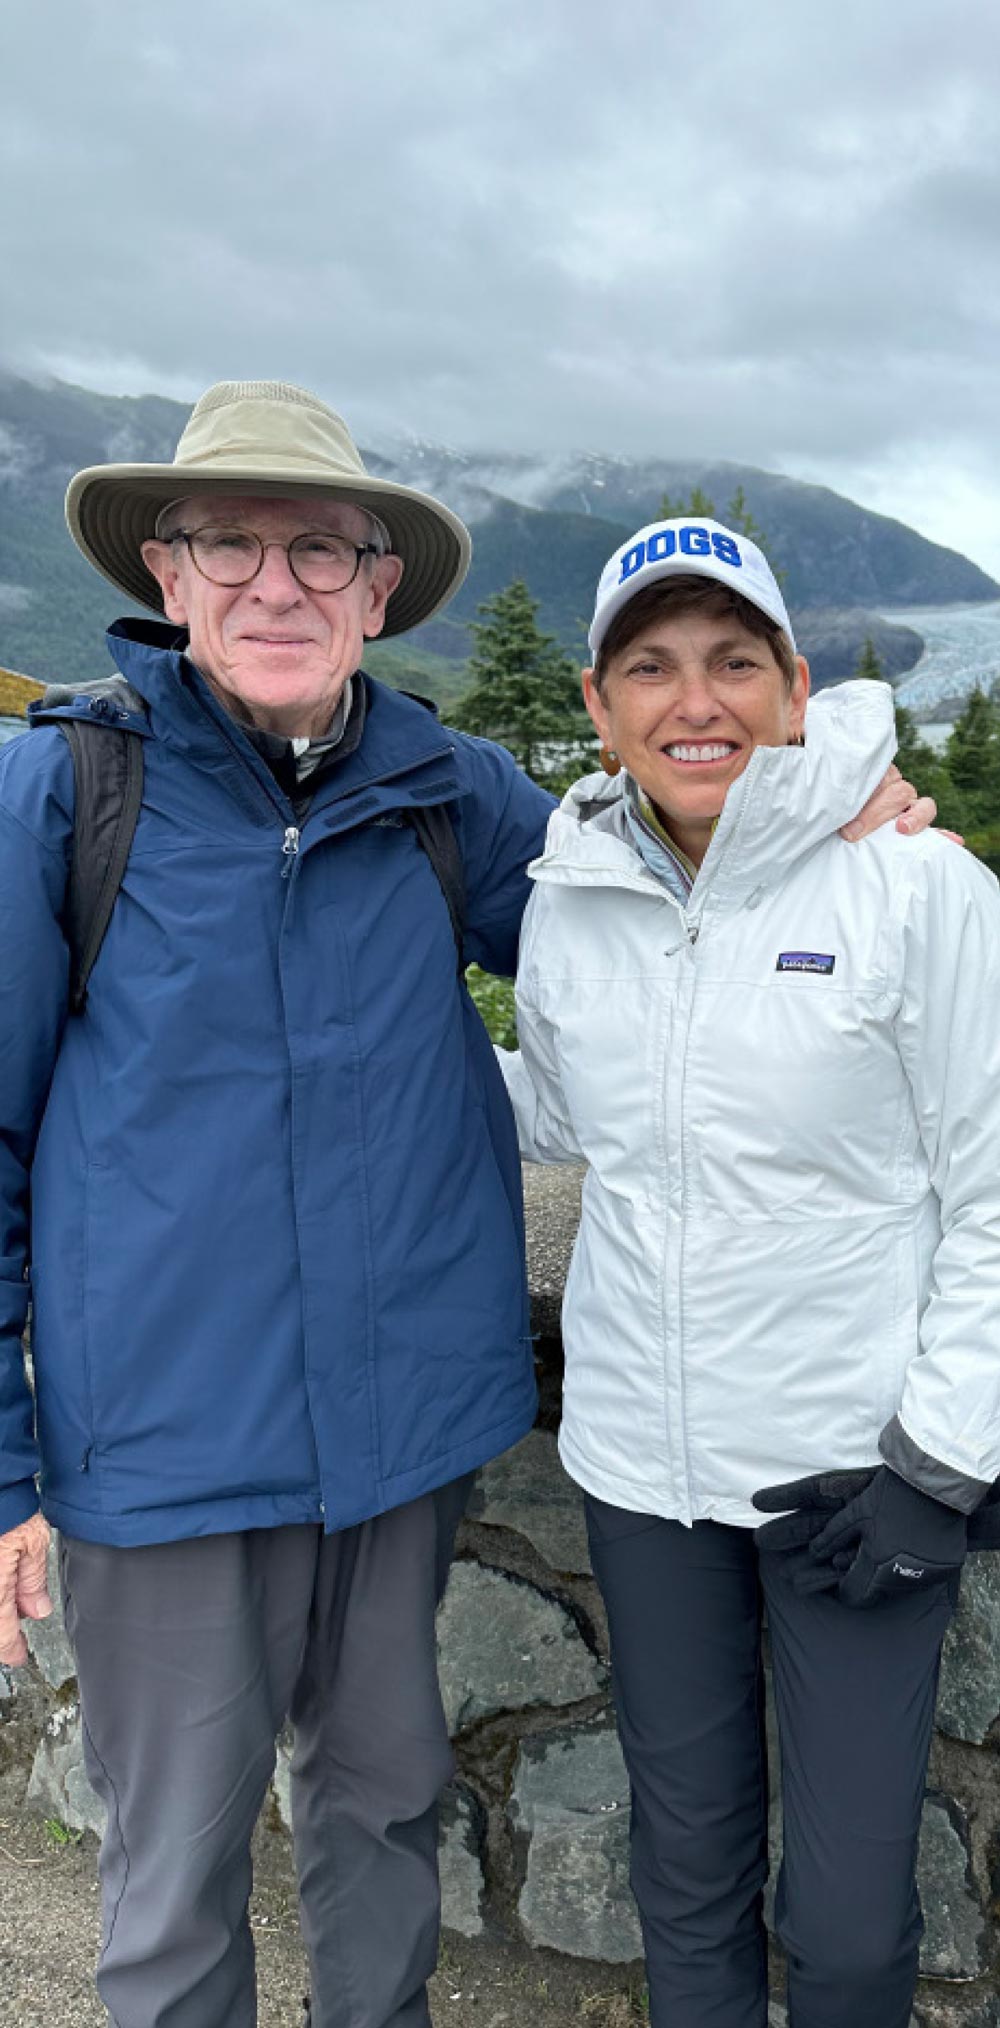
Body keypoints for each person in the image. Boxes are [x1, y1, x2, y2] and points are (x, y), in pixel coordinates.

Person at [0, 388, 931, 2028]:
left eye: (322, 550)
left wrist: (832, 819)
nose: (275, 584)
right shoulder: (65, 797)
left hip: (401, 1436)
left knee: (382, 1823)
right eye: (232, 542)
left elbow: (649, 893)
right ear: (167, 565)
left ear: (377, 589)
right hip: (160, 1443)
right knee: (169, 1885)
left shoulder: (455, 791)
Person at [499, 517, 1000, 2028]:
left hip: (850, 1481)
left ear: (794, 686)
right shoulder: (573, 890)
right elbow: (557, 1110)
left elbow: (994, 1193)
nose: (693, 699)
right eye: (651, 666)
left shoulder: (917, 889)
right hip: (642, 1475)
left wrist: (940, 1466)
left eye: (732, 661)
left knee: (847, 1925)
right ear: (599, 703)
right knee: (688, 1871)